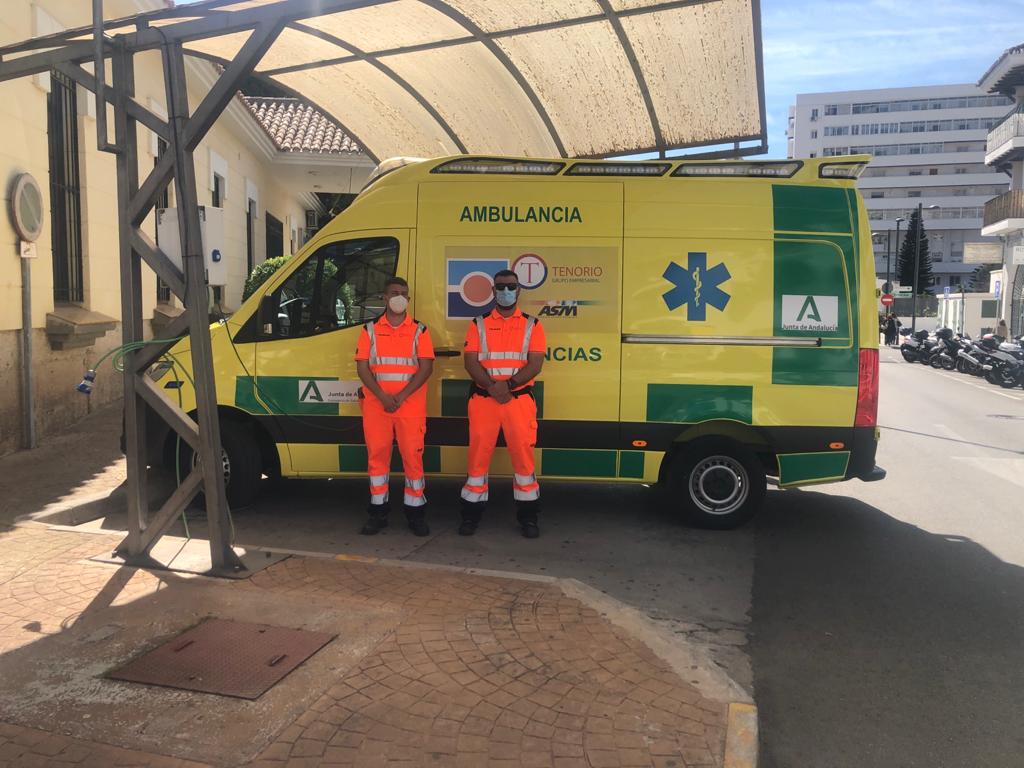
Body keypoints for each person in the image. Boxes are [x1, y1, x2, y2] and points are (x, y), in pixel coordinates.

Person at [460, 270, 546, 538]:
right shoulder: (478, 324)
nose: (505, 291)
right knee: (477, 459)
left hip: (517, 401)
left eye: (511, 286)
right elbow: (470, 362)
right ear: (493, 290)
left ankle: (528, 518)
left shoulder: (533, 325)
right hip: (484, 401)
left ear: (518, 290)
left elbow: (535, 364)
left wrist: (507, 385)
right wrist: (492, 386)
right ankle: (470, 516)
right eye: (500, 286)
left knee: (523, 460)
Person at [354, 277, 434, 536]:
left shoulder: (420, 331)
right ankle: (378, 513)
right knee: (377, 460)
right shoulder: (370, 330)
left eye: (404, 293)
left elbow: (426, 368)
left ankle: (415, 514)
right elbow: (362, 368)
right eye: (394, 292)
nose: (400, 297)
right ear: (385, 297)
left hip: (410, 408)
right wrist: (382, 396)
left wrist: (400, 396)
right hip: (377, 407)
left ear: (408, 299)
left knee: (413, 460)